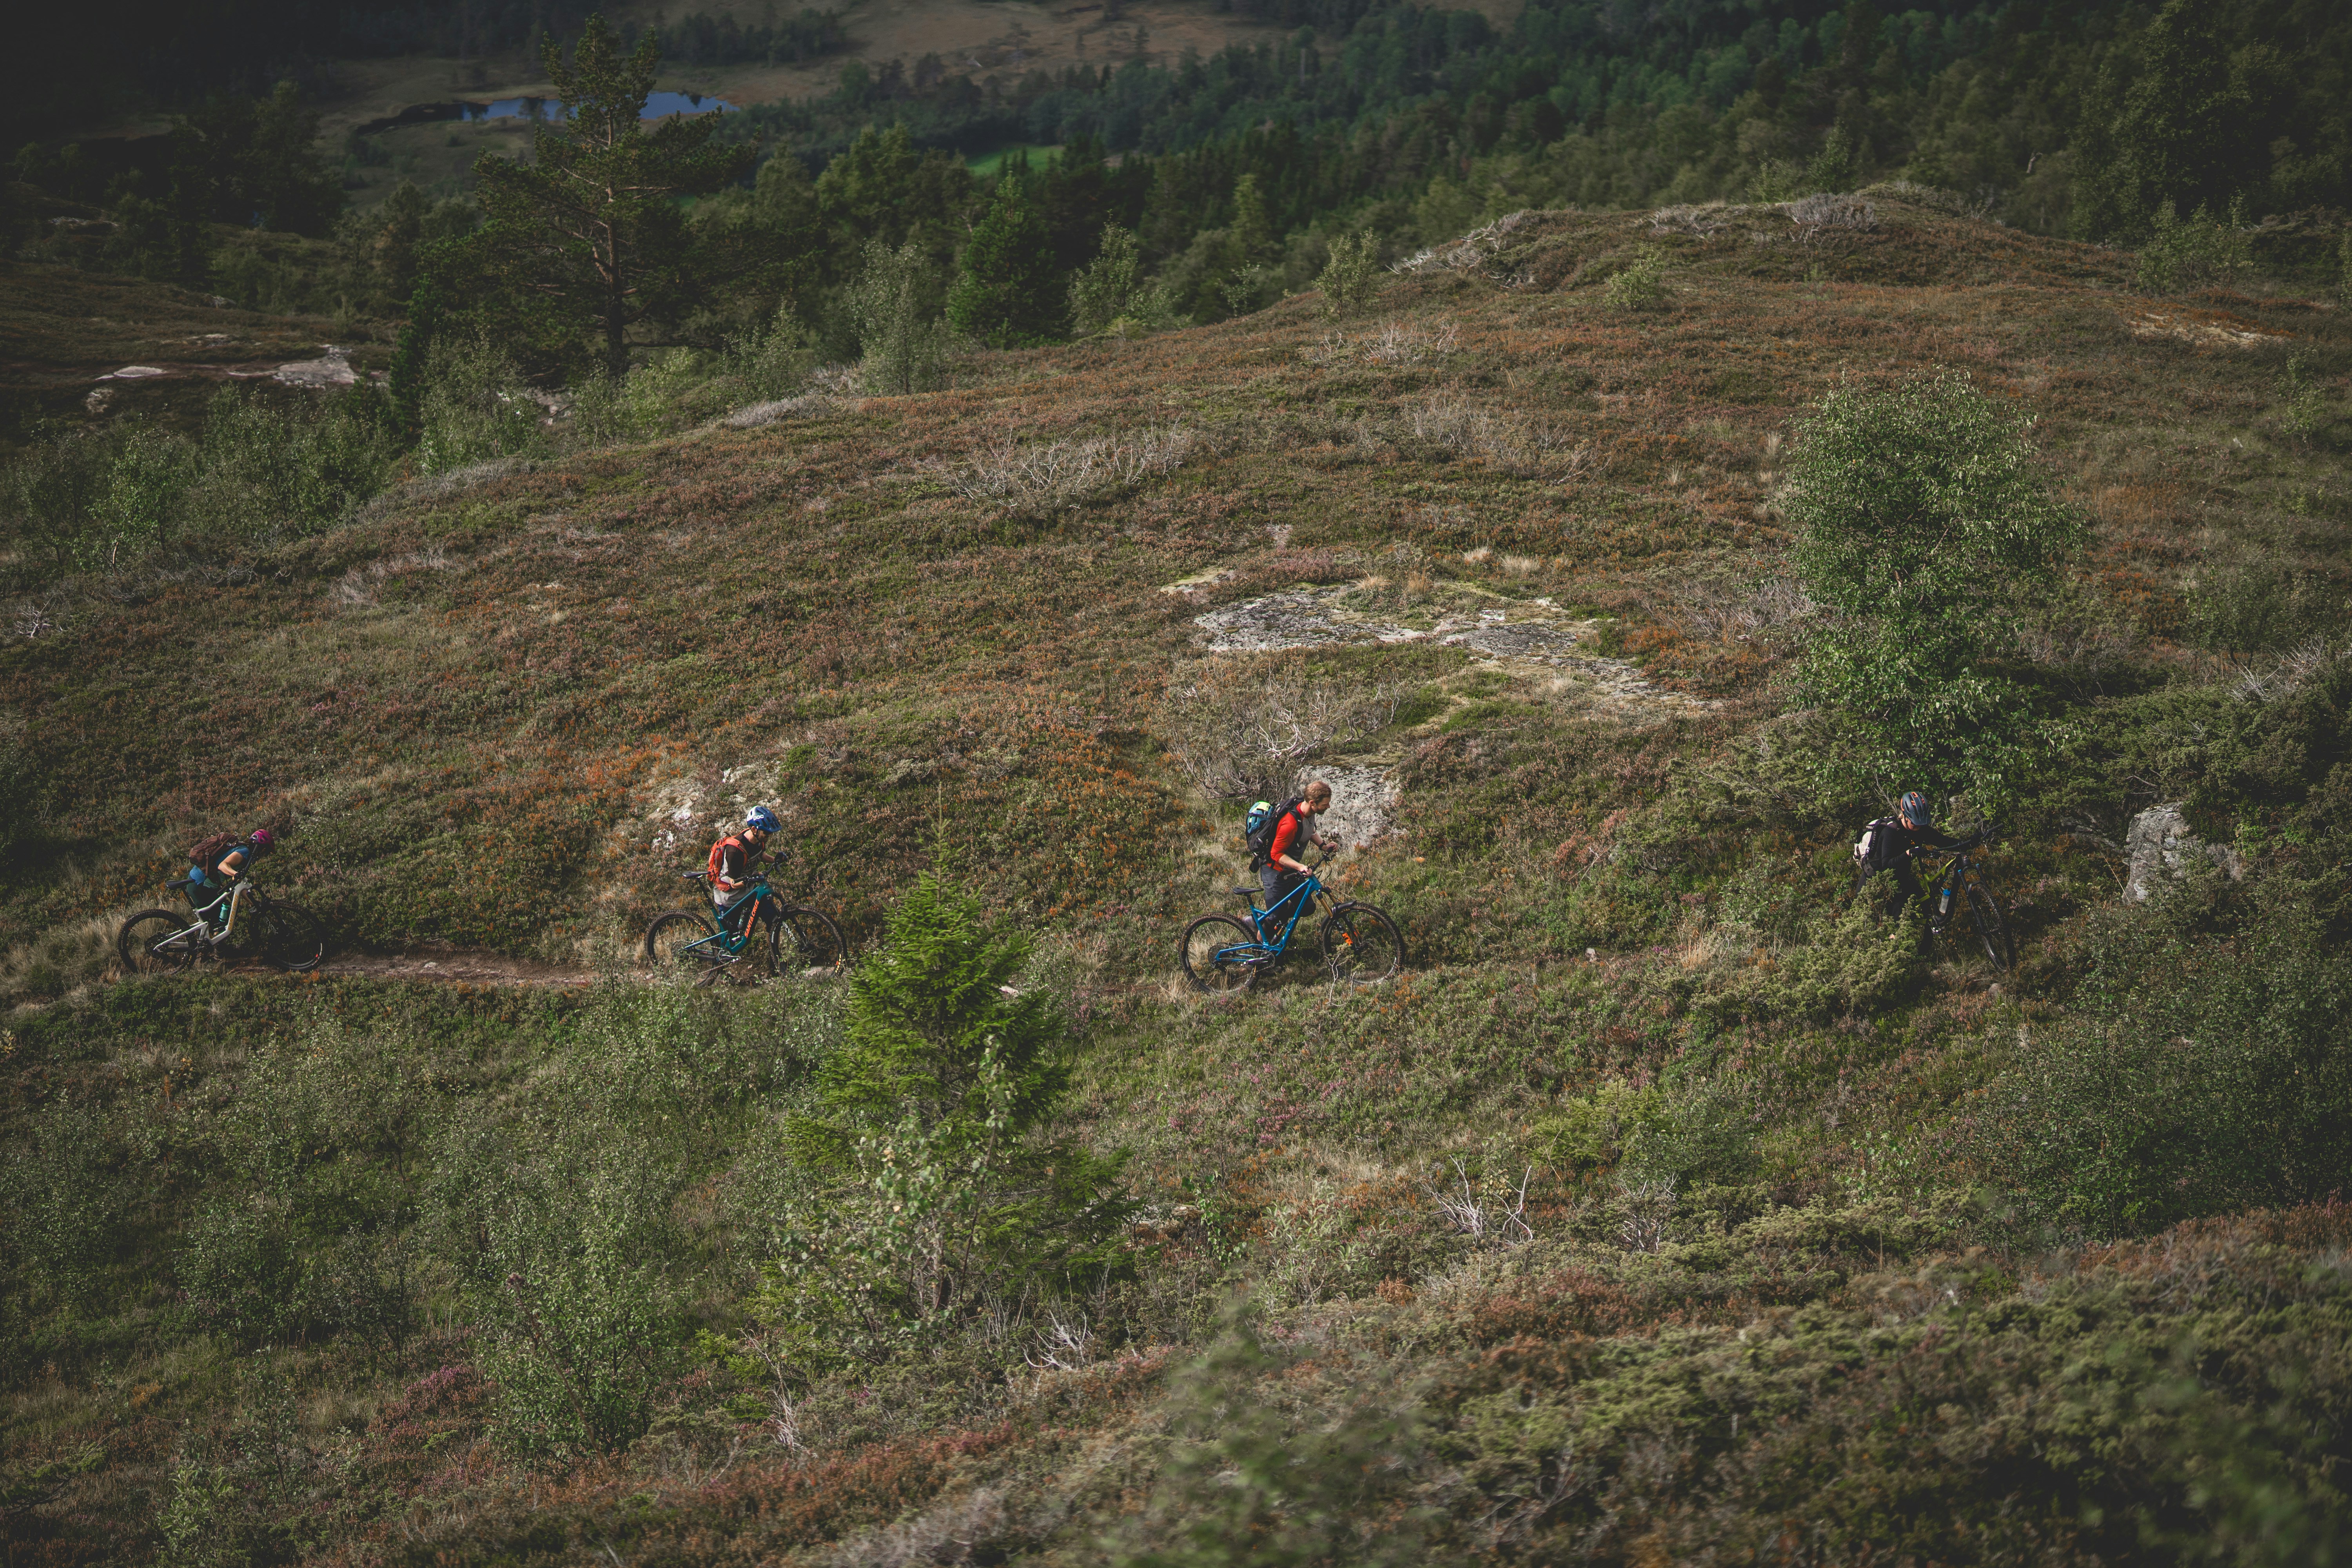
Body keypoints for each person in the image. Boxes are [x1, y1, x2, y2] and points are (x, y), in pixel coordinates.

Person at [1858, 791, 1958, 952]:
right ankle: (1885, 958)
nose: (1918, 828)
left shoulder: (1920, 828)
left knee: (1924, 905)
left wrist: (1969, 842)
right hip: (1876, 880)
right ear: (1904, 817)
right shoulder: (1891, 832)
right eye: (1915, 824)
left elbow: (1943, 841)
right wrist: (1909, 853)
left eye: (1921, 824)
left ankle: (1922, 955)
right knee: (1884, 923)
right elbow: (1888, 865)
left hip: (1900, 878)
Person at [1256, 779, 1339, 937]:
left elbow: (1310, 830)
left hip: (1292, 870)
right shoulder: (1290, 823)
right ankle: (1259, 953)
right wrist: (1300, 867)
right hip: (1276, 872)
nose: (1328, 807)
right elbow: (1276, 854)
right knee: (1274, 917)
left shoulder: (1309, 811)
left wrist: (1323, 846)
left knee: (1307, 907)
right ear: (1313, 803)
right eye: (1325, 804)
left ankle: (1273, 923)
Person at [187, 827, 276, 939]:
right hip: (200, 885)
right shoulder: (244, 852)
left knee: (222, 916)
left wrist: (253, 903)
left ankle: (211, 946)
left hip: (199, 884)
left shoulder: (245, 854)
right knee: (221, 920)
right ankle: (215, 950)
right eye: (267, 853)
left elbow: (241, 885)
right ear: (262, 849)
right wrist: (235, 874)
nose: (265, 856)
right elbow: (223, 866)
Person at [708, 806, 781, 936]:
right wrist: (753, 877)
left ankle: (774, 951)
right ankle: (721, 954)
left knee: (774, 920)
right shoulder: (735, 851)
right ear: (754, 829)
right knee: (731, 940)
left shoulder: (759, 841)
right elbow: (734, 883)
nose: (769, 837)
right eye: (767, 833)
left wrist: (775, 860)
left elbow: (760, 855)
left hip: (748, 892)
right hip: (730, 899)